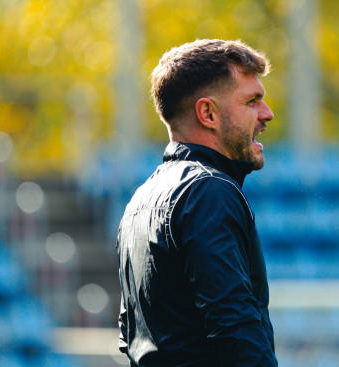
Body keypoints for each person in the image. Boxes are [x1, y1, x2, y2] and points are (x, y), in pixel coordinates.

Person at [116, 39, 277, 366]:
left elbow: (128, 335)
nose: (267, 114)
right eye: (252, 101)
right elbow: (234, 325)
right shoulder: (208, 191)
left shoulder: (139, 200)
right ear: (207, 113)